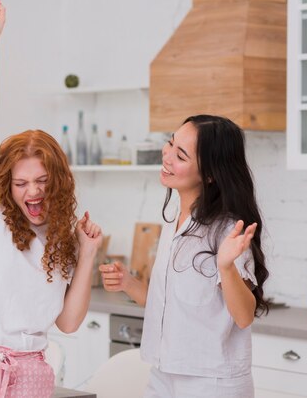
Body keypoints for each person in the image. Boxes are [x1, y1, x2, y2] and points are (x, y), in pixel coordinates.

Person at [0, 1, 103, 398]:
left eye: (43, 181)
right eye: (21, 183)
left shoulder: (63, 237)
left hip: (30, 374)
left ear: (57, 180)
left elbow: (69, 323)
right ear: (6, 185)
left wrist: (89, 252)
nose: (33, 192)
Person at [100, 115, 269, 398]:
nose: (167, 156)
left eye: (180, 155)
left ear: (210, 174)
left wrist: (226, 267)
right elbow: (168, 304)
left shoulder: (228, 229)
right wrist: (128, 283)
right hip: (164, 372)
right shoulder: (175, 222)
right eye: (170, 144)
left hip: (211, 380)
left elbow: (243, 316)